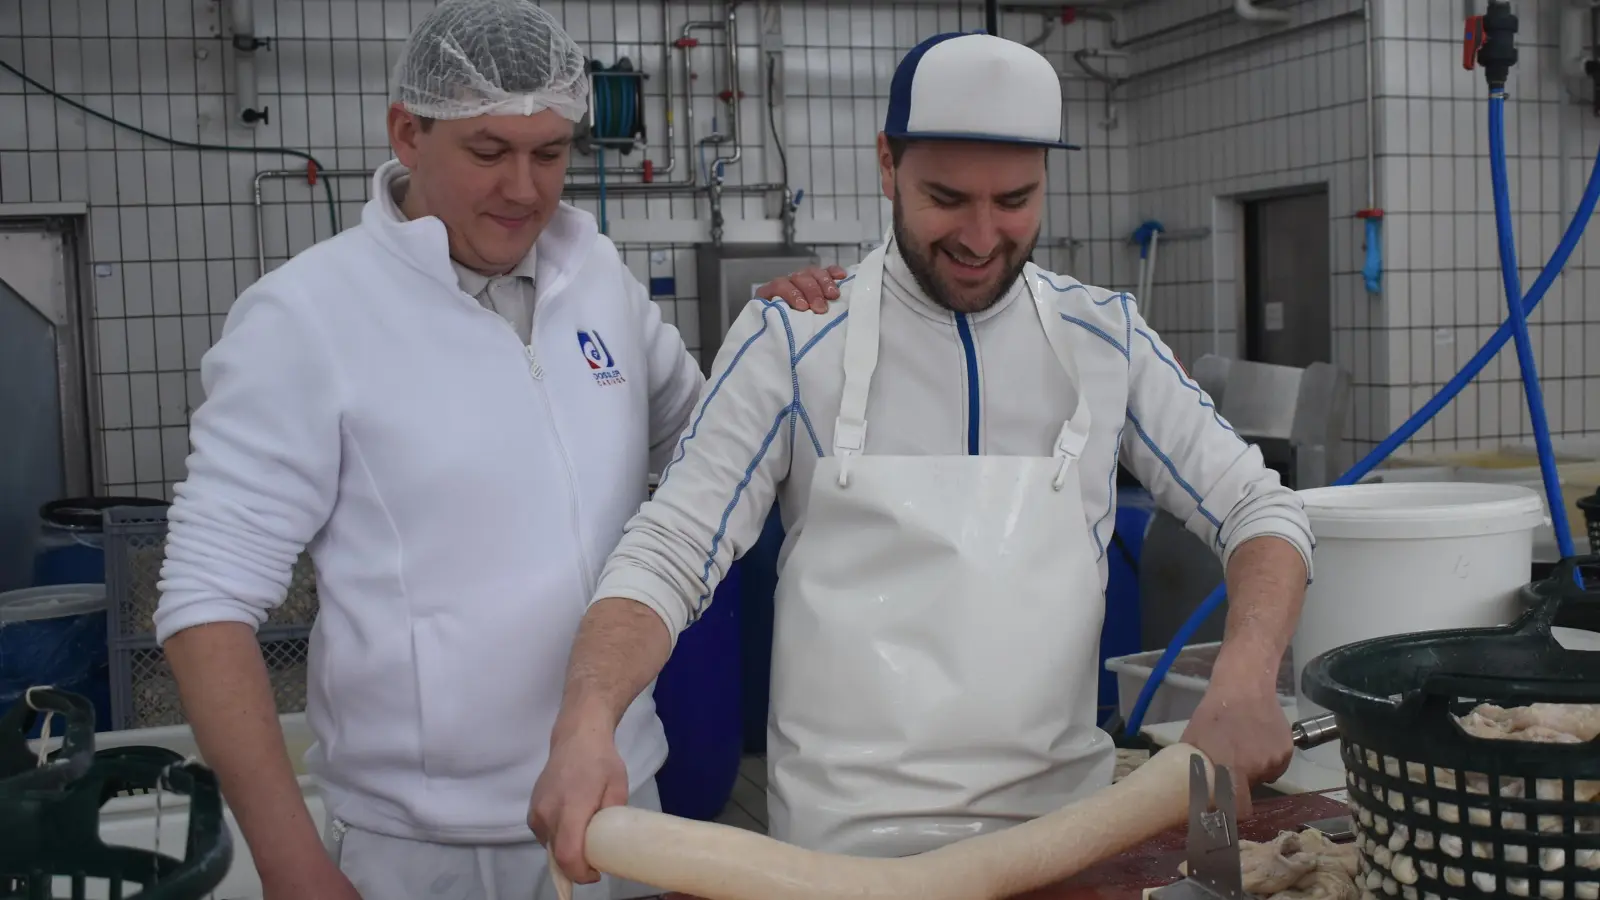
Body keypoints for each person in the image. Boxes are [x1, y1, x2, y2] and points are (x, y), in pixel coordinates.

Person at [530, 29, 1316, 885]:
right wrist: (588, 719)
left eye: (1014, 200)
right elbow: (672, 547)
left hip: (1068, 842)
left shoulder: (1106, 340)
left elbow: (1260, 508)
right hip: (840, 863)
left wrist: (1245, 675)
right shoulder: (794, 339)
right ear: (887, 165)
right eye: (947, 198)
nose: (981, 236)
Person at [151, 2, 825, 898]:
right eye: (488, 151)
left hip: (621, 807)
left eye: (550, 153)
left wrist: (771, 345)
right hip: (431, 848)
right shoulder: (309, 319)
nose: (523, 188)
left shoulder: (596, 278)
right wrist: (291, 864)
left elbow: (708, 451)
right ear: (408, 133)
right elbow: (205, 602)